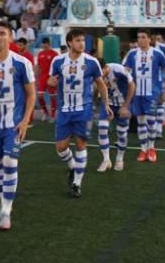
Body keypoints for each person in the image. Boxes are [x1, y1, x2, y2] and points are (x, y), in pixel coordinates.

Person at [0, 21, 36, 231]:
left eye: (2, 33)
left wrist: (25, 120)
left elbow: (31, 93)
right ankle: (2, 204)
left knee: (10, 162)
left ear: (10, 38)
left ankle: (6, 211)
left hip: (13, 124)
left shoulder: (22, 63)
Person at [48, 29, 110, 196]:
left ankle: (77, 183)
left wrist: (107, 104)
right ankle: (73, 167)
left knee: (81, 144)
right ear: (69, 43)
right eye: (78, 40)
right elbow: (50, 81)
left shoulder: (91, 62)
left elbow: (101, 84)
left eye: (83, 40)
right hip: (64, 110)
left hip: (84, 110)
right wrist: (51, 82)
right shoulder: (58, 61)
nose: (81, 43)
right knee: (61, 147)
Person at [121, 30, 165, 162]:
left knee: (151, 121)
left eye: (143, 37)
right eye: (138, 37)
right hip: (136, 94)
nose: (140, 40)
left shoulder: (157, 53)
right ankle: (143, 149)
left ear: (149, 39)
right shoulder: (132, 54)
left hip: (152, 93)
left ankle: (151, 147)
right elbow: (125, 70)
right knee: (141, 121)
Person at [97, 60, 134, 172]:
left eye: (100, 72)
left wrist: (126, 106)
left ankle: (119, 158)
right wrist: (106, 105)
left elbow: (132, 86)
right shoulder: (97, 74)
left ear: (105, 67)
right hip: (109, 103)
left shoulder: (118, 70)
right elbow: (99, 89)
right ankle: (106, 160)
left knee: (121, 133)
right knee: (102, 129)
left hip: (123, 104)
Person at [35, 38, 58, 121]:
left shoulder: (54, 54)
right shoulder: (40, 54)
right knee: (40, 96)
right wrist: (36, 78)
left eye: (45, 44)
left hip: (51, 77)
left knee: (53, 97)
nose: (43, 45)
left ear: (49, 44)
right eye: (42, 44)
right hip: (42, 77)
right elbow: (38, 66)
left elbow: (57, 67)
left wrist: (56, 78)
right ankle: (45, 112)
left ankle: (52, 115)